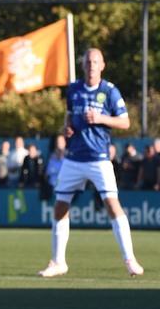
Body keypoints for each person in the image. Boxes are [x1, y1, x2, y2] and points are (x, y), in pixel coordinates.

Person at [37, 48, 143, 278]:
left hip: (99, 158)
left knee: (112, 205)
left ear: (102, 65)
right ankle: (58, 262)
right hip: (74, 158)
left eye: (95, 62)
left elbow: (125, 122)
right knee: (60, 206)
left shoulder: (110, 91)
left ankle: (130, 259)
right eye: (87, 62)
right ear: (83, 65)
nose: (91, 65)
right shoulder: (74, 89)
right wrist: (67, 128)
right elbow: (68, 116)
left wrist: (101, 118)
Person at [41, 134, 66, 200]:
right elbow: (47, 174)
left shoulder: (68, 159)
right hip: (51, 186)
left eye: (60, 142)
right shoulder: (51, 160)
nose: (59, 145)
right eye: (57, 142)